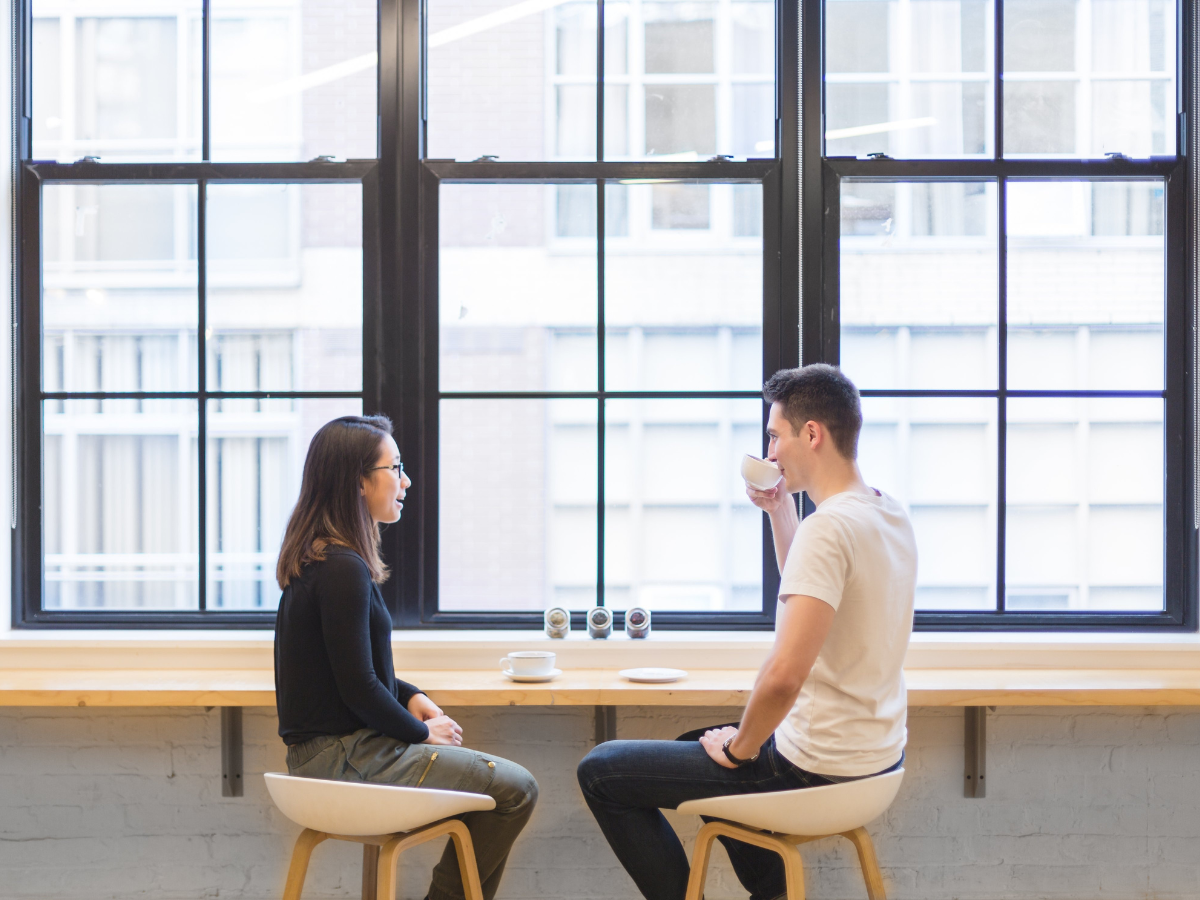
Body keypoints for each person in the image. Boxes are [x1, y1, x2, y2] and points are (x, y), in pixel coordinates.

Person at [576, 364, 917, 900]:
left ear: (812, 434)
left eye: (774, 436)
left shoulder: (828, 527)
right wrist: (781, 509)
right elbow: (814, 590)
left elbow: (783, 677)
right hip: (875, 759)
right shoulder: (884, 511)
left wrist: (740, 750)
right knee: (696, 745)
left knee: (601, 772)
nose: (771, 453)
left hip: (816, 768)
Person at [273, 415, 537, 900]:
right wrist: (420, 733)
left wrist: (411, 696)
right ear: (359, 481)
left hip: (327, 756)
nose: (406, 480)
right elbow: (358, 687)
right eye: (395, 467)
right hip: (343, 759)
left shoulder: (324, 559)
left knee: (482, 786)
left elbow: (353, 670)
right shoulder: (342, 570)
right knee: (517, 788)